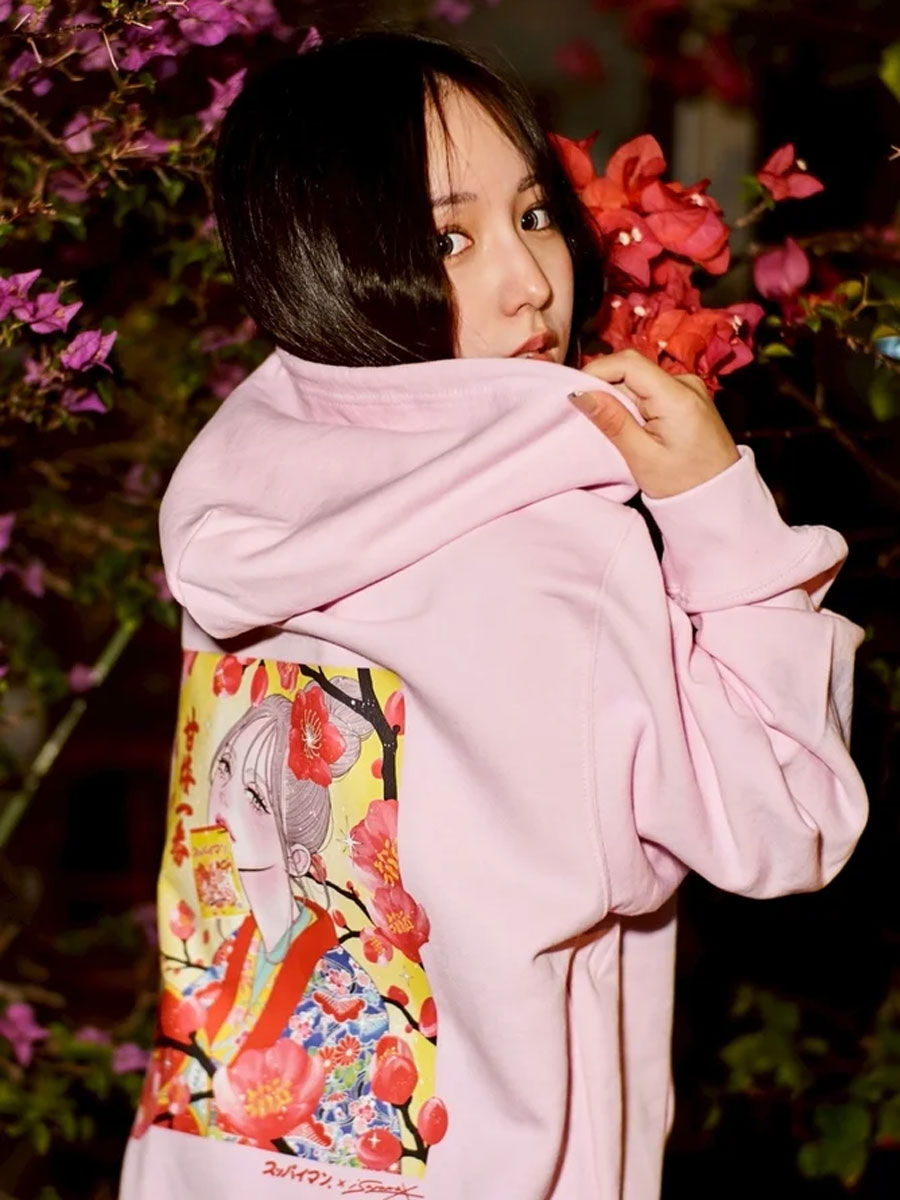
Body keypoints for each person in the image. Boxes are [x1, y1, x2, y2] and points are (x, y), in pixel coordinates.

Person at [119, 26, 869, 1200]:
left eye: (532, 214)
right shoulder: (553, 557)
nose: (533, 281)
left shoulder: (245, 499)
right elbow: (789, 822)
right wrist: (717, 506)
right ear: (330, 259)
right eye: (447, 240)